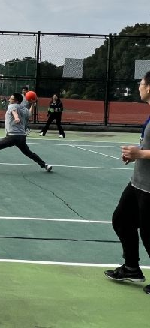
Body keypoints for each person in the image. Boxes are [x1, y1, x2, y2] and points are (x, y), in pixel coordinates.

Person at [104, 71, 150, 294]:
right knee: (121, 219)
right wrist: (135, 153)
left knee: (149, 235)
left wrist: (139, 154)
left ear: (149, 87)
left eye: (141, 84)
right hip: (138, 183)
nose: (138, 87)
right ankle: (131, 267)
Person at [0, 92, 52, 173]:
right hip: (22, 136)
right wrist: (32, 104)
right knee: (29, 153)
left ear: (16, 101)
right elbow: (29, 114)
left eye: (11, 99)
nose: (9, 100)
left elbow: (14, 112)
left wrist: (16, 117)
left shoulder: (12, 106)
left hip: (13, 136)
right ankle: (45, 165)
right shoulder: (23, 108)